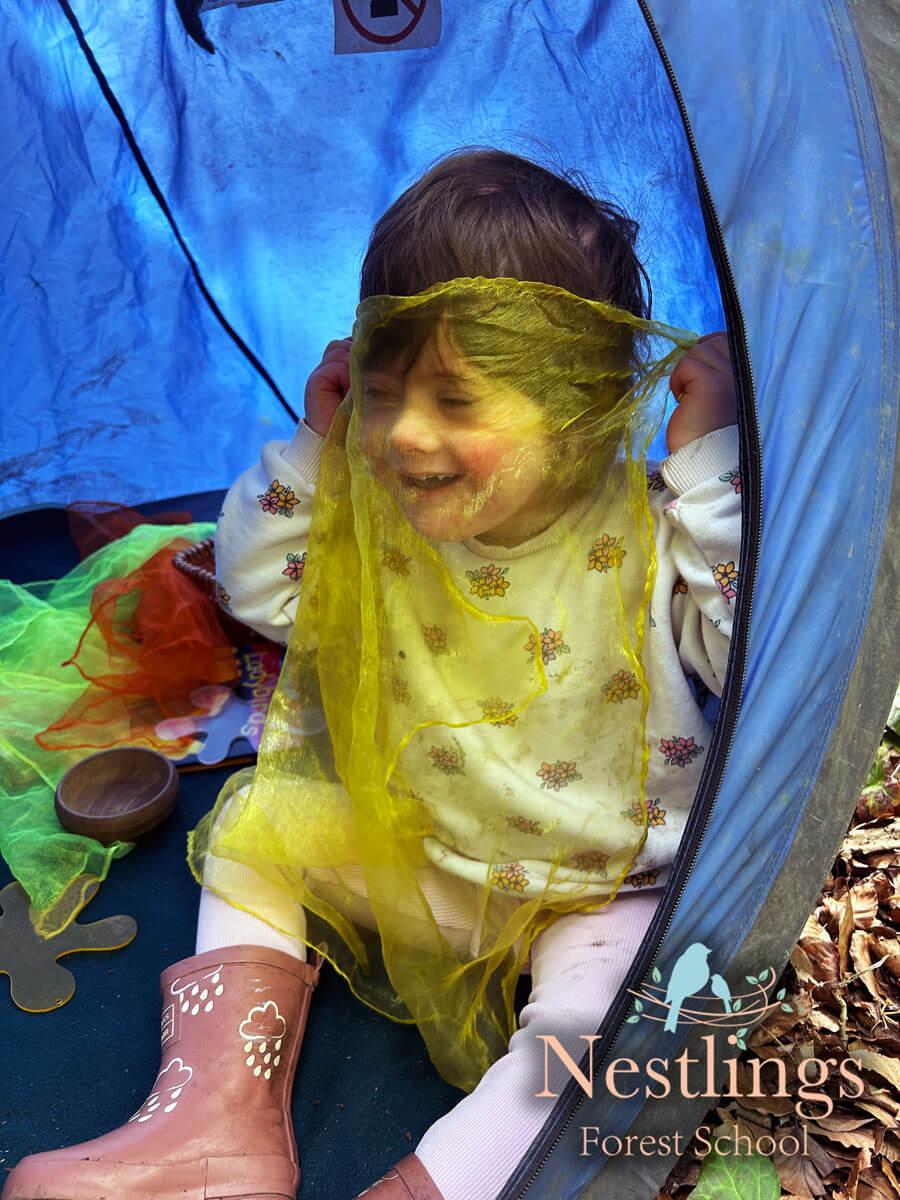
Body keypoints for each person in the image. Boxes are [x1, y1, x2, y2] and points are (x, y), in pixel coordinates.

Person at [3, 149, 741, 1200]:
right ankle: (212, 1130)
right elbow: (263, 593)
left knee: (610, 1034)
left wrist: (709, 468)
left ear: (577, 403)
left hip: (605, 885)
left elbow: (744, 645)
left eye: (456, 399)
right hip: (428, 853)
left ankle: (434, 1184)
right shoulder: (387, 516)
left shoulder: (652, 529)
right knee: (257, 835)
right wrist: (317, 440)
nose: (404, 434)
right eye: (385, 388)